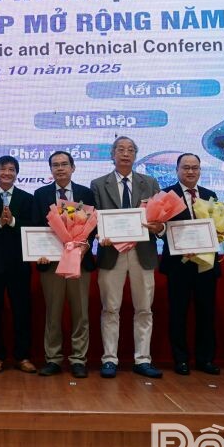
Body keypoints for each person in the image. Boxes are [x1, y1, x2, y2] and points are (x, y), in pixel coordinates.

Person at [91, 136, 164, 379]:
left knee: (144, 309)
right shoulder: (98, 184)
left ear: (135, 155)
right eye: (120, 149)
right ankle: (109, 359)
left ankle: (143, 359)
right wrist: (100, 233)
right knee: (110, 308)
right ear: (112, 155)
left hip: (142, 253)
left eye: (130, 150)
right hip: (111, 253)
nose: (125, 153)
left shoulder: (150, 183)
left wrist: (159, 228)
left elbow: (160, 221)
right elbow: (94, 220)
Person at [29, 151, 96, 379]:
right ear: (51, 170)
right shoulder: (41, 194)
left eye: (64, 164)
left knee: (81, 313)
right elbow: (36, 226)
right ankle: (53, 359)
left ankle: (78, 359)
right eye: (55, 165)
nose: (60, 168)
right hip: (51, 265)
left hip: (79, 261)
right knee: (53, 313)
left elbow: (93, 226)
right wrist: (39, 252)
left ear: (73, 168)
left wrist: (85, 245)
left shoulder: (86, 193)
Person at [159, 153, 224, 375]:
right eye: (186, 167)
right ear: (177, 170)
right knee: (178, 314)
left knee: (206, 313)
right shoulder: (166, 195)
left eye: (195, 168)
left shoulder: (210, 195)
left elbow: (220, 227)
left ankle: (205, 359)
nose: (190, 171)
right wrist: (171, 239)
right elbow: (159, 229)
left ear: (200, 170)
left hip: (206, 265)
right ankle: (180, 359)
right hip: (178, 264)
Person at [0, 155, 36, 374]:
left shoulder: (27, 199)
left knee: (22, 311)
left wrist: (12, 221)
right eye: (3, 169)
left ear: (16, 174)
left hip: (19, 264)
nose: (7, 173)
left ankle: (22, 356)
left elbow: (33, 226)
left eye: (11, 169)